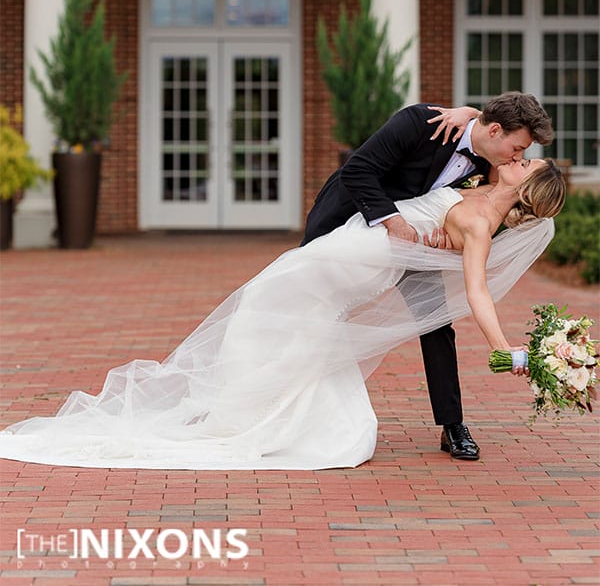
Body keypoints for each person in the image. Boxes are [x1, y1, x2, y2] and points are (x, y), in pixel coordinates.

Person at [0, 156, 564, 471]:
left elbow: (476, 292)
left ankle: (236, 418)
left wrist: (505, 348)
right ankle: (245, 412)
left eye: (528, 160)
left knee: (262, 312)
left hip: (349, 264)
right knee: (268, 319)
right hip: (344, 252)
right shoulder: (477, 183)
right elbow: (458, 145)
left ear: (527, 186)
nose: (520, 156)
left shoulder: (480, 225)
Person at [301, 92, 555, 460]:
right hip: (351, 219)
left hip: (418, 243)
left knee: (437, 325)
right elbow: (358, 171)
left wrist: (448, 243)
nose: (517, 157)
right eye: (517, 149)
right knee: (316, 310)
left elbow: (474, 222)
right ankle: (296, 400)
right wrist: (394, 223)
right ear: (496, 130)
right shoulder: (421, 123)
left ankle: (452, 426)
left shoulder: (493, 169)